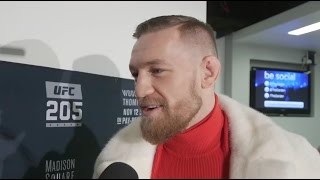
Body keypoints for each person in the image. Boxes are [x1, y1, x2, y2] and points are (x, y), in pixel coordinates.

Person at [93, 15, 320, 179]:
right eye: (135, 74)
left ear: (208, 73)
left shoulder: (297, 160)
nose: (140, 90)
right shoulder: (115, 165)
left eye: (157, 71)